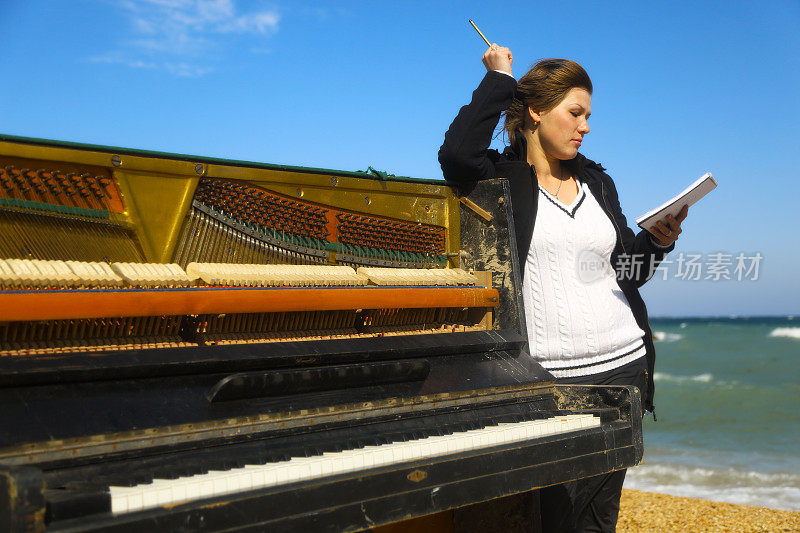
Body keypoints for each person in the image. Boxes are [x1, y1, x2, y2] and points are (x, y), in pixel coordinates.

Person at [438, 44, 687, 532]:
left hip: (624, 371)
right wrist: (500, 79)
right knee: (550, 520)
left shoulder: (597, 181)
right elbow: (456, 152)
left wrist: (656, 243)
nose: (585, 126)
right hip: (549, 380)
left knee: (598, 520)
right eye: (575, 112)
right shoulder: (500, 178)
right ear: (535, 111)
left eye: (588, 115)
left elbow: (627, 273)